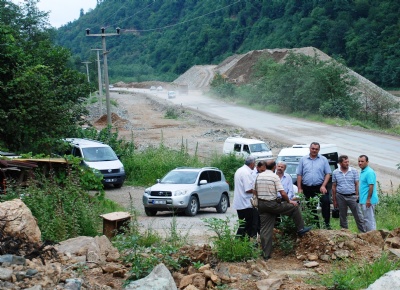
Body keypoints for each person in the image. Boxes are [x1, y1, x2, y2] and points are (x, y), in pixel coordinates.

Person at [255, 160, 311, 260]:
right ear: (274, 167)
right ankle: (301, 229)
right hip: (272, 203)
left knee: (265, 230)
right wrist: (289, 201)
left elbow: (254, 191)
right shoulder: (274, 177)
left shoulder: (259, 176)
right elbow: (283, 193)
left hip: (261, 204)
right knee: (294, 207)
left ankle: (266, 255)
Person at [297, 142, 332, 229]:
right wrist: (299, 188)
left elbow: (328, 174)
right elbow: (299, 174)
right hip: (307, 187)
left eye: (316, 149)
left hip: (320, 186)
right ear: (310, 148)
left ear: (319, 150)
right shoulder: (303, 160)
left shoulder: (323, 159)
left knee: (326, 202)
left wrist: (323, 185)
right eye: (313, 148)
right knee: (311, 206)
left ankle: (327, 224)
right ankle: (315, 225)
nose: (314, 150)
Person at [332, 155, 365, 232]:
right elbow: (334, 186)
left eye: (348, 162)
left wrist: (357, 195)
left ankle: (363, 233)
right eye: (345, 162)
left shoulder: (353, 171)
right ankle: (345, 233)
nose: (347, 163)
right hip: (340, 196)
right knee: (342, 216)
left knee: (358, 215)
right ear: (340, 163)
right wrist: (334, 200)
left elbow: (357, 184)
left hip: (352, 196)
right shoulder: (335, 172)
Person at [233, 156, 257, 238]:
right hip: (245, 203)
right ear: (252, 163)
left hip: (241, 202)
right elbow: (248, 189)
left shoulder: (240, 170)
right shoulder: (246, 173)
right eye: (254, 163)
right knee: (246, 225)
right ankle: (238, 241)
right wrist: (258, 192)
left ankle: (243, 242)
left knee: (244, 224)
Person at [358, 155, 379, 231]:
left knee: (369, 220)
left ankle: (372, 237)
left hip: (368, 201)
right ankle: (369, 236)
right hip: (364, 199)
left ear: (367, 162)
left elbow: (371, 186)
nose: (360, 163)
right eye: (359, 161)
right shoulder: (363, 171)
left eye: (362, 161)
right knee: (366, 220)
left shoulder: (369, 172)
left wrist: (368, 199)